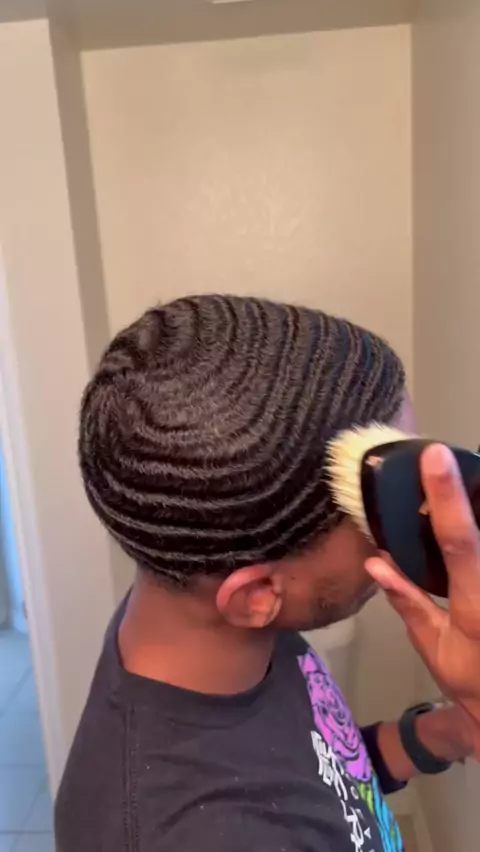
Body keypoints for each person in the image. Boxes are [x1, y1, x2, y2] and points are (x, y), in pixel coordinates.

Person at [55, 295, 480, 852]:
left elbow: (324, 782)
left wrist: (448, 732)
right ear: (257, 596)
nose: (416, 529)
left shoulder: (202, 623)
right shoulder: (197, 834)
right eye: (382, 525)